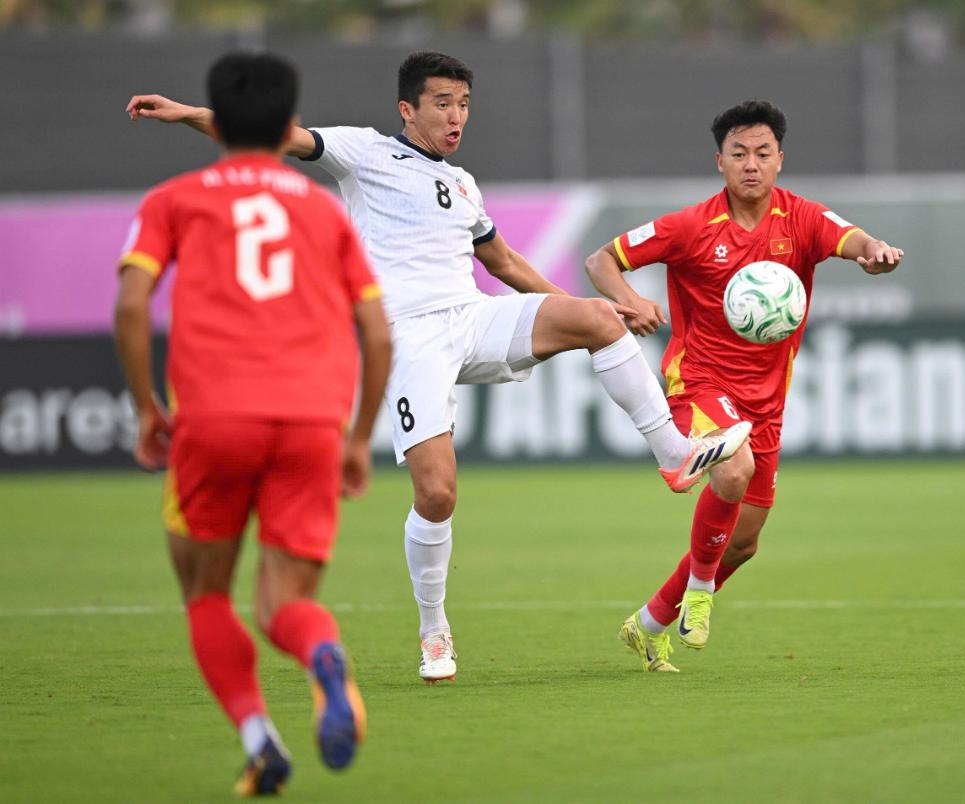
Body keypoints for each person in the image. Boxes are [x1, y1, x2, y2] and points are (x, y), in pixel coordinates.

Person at [126, 51, 751, 684]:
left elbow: (503, 262)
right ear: (408, 109)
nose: (457, 117)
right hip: (408, 337)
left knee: (594, 319)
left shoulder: (463, 184)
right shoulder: (362, 152)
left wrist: (609, 304)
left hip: (472, 318)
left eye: (464, 105)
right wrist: (183, 114)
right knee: (437, 492)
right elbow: (274, 135)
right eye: (443, 104)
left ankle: (674, 454)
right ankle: (433, 631)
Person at [114, 52, 392, 794]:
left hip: (214, 418)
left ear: (216, 116)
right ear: (287, 122)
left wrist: (148, 408)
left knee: (207, 593)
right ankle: (322, 658)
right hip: (309, 422)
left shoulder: (174, 199)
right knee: (287, 603)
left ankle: (259, 737)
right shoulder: (322, 212)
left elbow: (132, 304)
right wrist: (360, 438)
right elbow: (377, 332)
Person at [586, 99, 903, 672]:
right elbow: (601, 259)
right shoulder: (688, 227)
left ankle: (650, 624)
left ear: (780, 158)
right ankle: (700, 595)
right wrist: (630, 302)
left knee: (745, 541)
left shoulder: (802, 219)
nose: (750, 164)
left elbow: (853, 239)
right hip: (699, 381)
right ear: (720, 162)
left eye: (762, 153)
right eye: (739, 154)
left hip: (766, 400)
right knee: (732, 469)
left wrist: (874, 254)